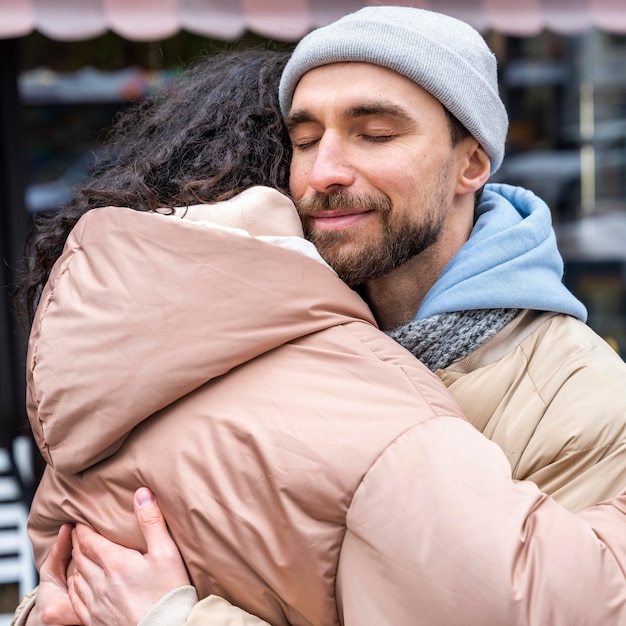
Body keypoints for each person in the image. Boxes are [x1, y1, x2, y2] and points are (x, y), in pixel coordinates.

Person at [13, 6, 626, 626]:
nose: (324, 172)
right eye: (305, 140)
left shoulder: (579, 400)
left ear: (471, 162)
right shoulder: (251, 342)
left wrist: (173, 617)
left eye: (376, 134)